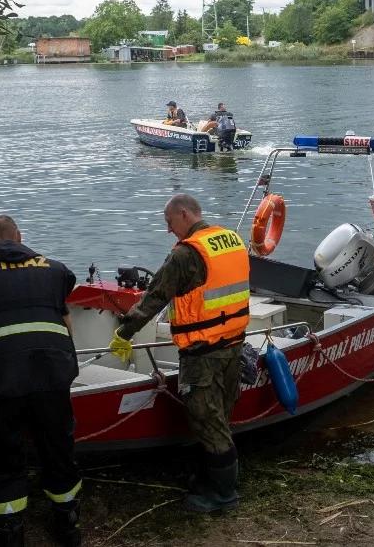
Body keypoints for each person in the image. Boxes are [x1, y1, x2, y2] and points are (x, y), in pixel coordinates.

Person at [111, 193, 249, 513]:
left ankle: (223, 497)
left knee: (207, 423)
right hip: (233, 345)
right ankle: (208, 478)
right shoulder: (230, 239)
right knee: (220, 419)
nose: (169, 230)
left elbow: (155, 297)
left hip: (203, 354)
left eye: (169, 222)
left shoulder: (186, 254)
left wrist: (124, 332)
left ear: (183, 214)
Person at [0, 215, 81, 547]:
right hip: (51, 373)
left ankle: (10, 533)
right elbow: (67, 326)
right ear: (20, 238)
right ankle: (68, 526)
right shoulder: (53, 269)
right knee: (58, 448)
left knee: (0, 453)